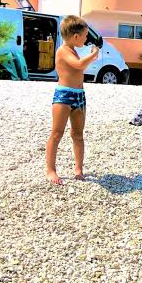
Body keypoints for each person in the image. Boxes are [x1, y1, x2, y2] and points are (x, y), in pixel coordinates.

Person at [46, 15, 100, 185]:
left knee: (78, 134)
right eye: (85, 36)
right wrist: (94, 54)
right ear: (75, 36)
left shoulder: (73, 50)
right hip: (64, 95)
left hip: (79, 96)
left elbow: (79, 65)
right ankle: (51, 170)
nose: (86, 39)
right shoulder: (63, 51)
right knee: (57, 133)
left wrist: (91, 56)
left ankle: (78, 169)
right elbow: (78, 65)